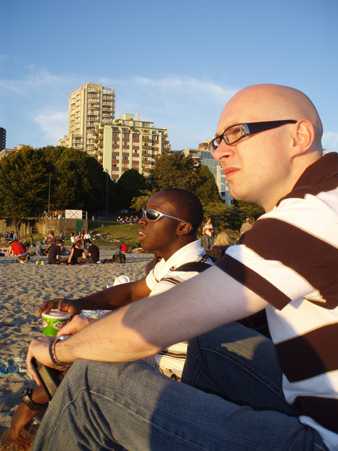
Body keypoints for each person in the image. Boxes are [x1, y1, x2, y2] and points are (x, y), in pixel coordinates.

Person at [26, 84, 336, 451]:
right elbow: (144, 301)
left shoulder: (313, 215)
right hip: (310, 396)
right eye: (217, 139)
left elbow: (156, 318)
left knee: (91, 385)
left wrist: (62, 349)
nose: (220, 150)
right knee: (204, 339)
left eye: (237, 133)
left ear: (299, 135)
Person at [11, 189, 212, 447]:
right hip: (163, 368)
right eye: (142, 214)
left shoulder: (184, 279)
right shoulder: (182, 263)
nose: (140, 221)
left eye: (152, 215)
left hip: (175, 393)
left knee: (84, 367)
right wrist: (78, 304)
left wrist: (38, 389)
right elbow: (132, 290)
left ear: (182, 227)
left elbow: (129, 344)